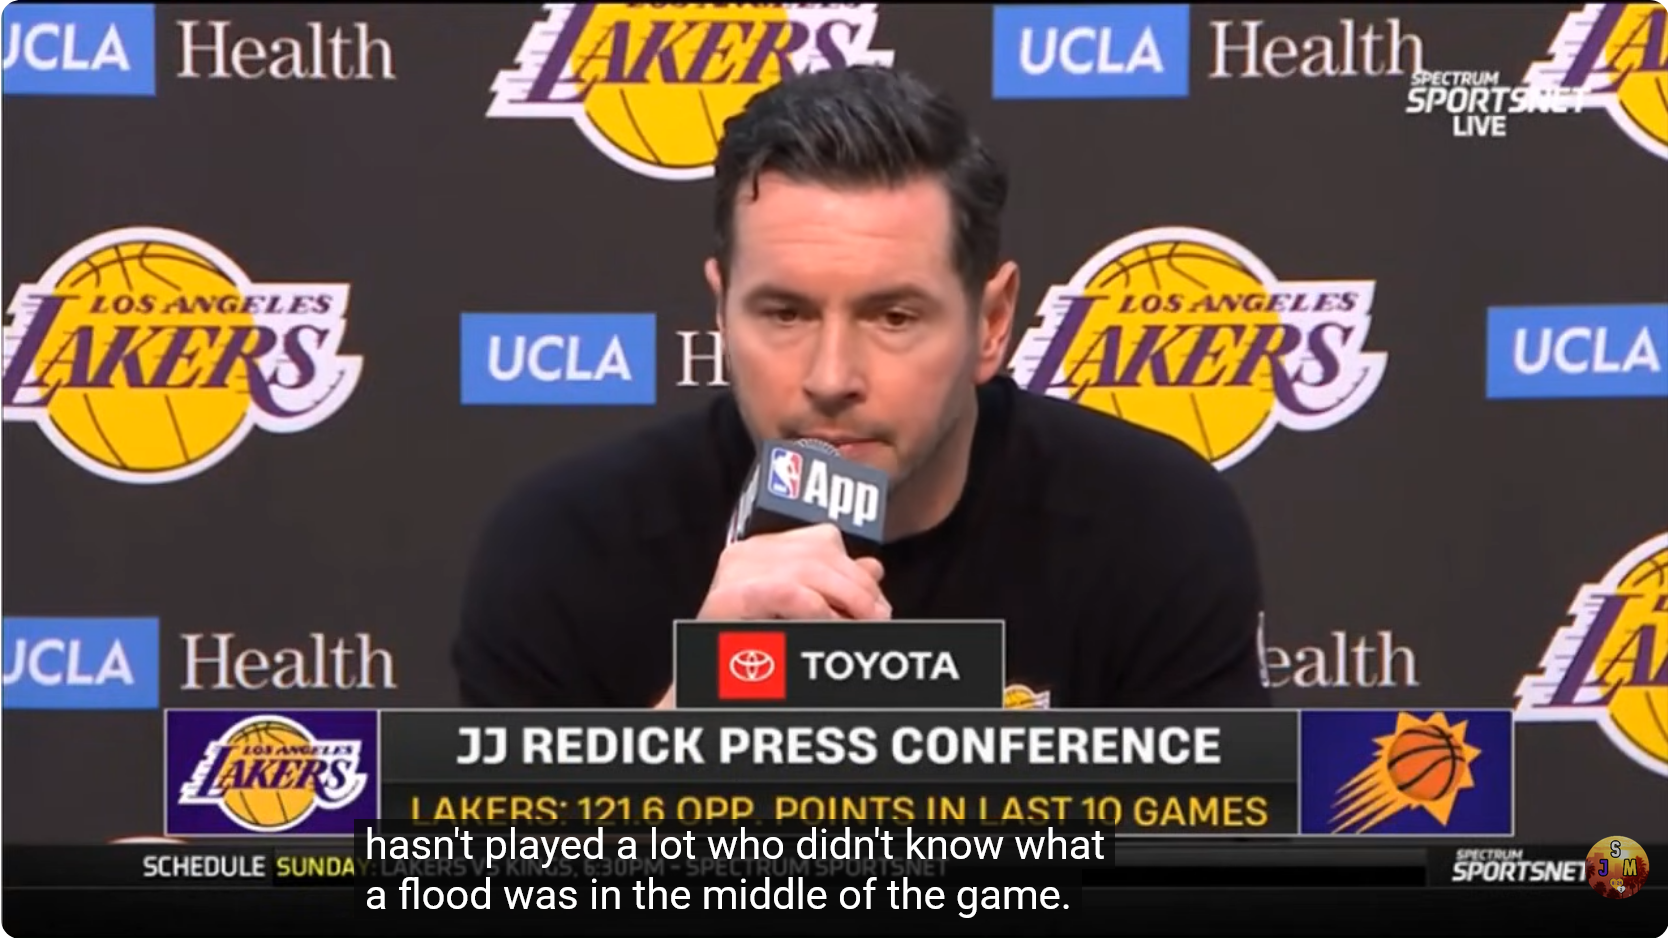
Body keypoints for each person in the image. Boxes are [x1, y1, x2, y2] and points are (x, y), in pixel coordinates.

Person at [453, 66, 1270, 710]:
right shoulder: (567, 549)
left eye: (893, 317)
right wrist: (695, 716)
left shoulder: (1150, 526)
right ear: (721, 311)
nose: (831, 378)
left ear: (991, 324)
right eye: (785, 314)